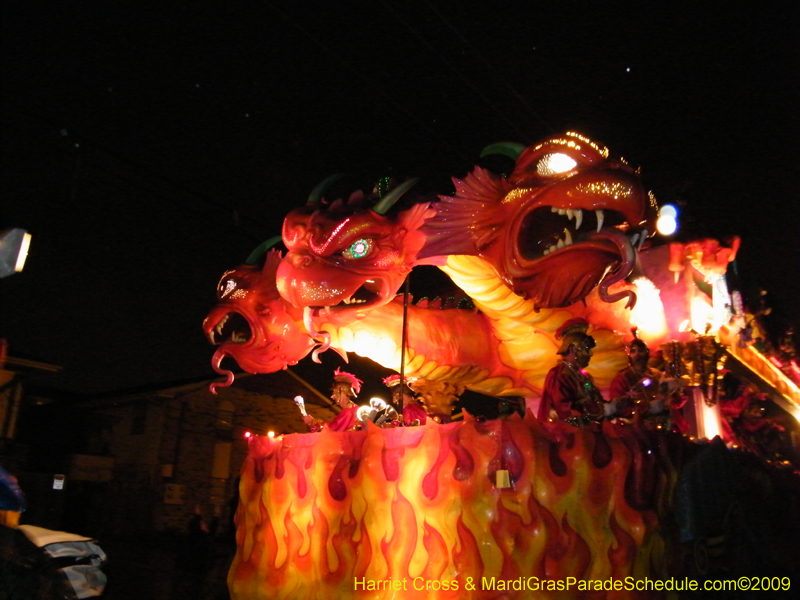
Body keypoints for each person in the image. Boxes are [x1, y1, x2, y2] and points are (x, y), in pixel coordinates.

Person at [608, 336, 686, 430]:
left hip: (663, 424)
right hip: (638, 427)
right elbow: (618, 406)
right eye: (633, 351)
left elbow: (674, 400)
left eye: (641, 351)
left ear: (647, 353)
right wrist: (645, 409)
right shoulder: (622, 378)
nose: (637, 355)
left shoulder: (657, 375)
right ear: (629, 355)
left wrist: (675, 395)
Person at [537, 318, 605, 426]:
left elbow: (596, 400)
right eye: (586, 348)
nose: (590, 354)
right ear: (573, 349)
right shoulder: (559, 375)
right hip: (568, 435)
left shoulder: (584, 376)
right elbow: (564, 411)